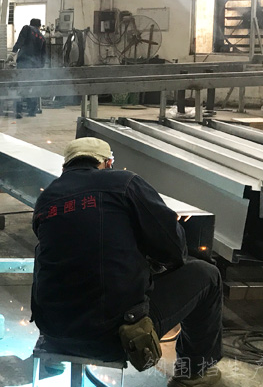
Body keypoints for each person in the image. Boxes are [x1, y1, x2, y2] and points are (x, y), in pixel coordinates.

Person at [31, 137, 223, 387]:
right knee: (207, 274)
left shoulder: (47, 198)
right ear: (108, 163)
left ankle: (53, 362)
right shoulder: (125, 183)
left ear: (65, 167)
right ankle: (195, 374)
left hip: (54, 334)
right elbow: (173, 249)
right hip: (116, 337)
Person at [12, 18, 46, 118]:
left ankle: (18, 111)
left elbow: (20, 40)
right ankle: (32, 111)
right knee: (33, 87)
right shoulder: (42, 37)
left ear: (31, 24)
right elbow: (43, 56)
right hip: (35, 66)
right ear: (39, 26)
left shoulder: (27, 28)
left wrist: (13, 52)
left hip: (24, 63)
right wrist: (40, 67)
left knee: (21, 86)